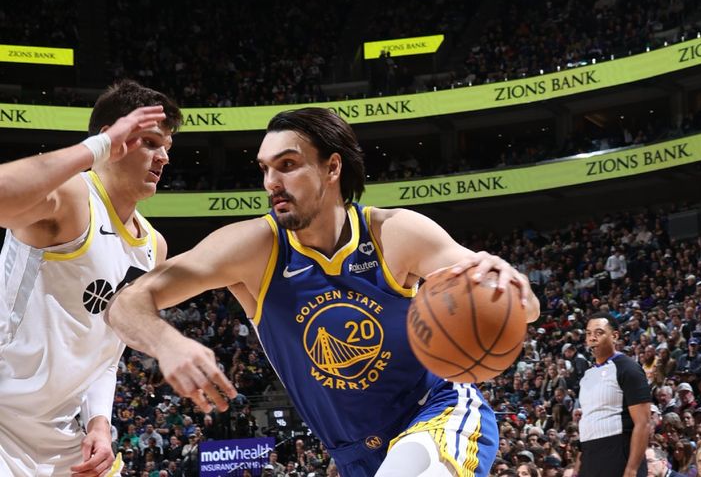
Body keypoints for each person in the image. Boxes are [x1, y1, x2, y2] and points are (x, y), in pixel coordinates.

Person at [108, 107, 540, 477]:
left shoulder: (395, 233)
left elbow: (527, 309)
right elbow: (125, 305)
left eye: (288, 165)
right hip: (353, 454)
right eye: (265, 169)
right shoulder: (254, 248)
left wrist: (508, 281)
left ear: (332, 168)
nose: (271, 182)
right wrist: (167, 344)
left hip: (438, 412)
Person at [0, 80, 181, 477]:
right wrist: (92, 151)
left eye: (167, 146)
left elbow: (108, 352)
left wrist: (99, 420)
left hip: (66, 436)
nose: (164, 157)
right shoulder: (71, 198)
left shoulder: (154, 246)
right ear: (111, 140)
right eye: (150, 142)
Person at [577, 312, 651, 477]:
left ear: (615, 336)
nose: (592, 338)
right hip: (590, 455)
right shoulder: (587, 375)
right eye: (588, 333)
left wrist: (632, 470)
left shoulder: (628, 368)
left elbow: (644, 423)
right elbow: (588, 422)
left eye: (599, 332)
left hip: (618, 453)